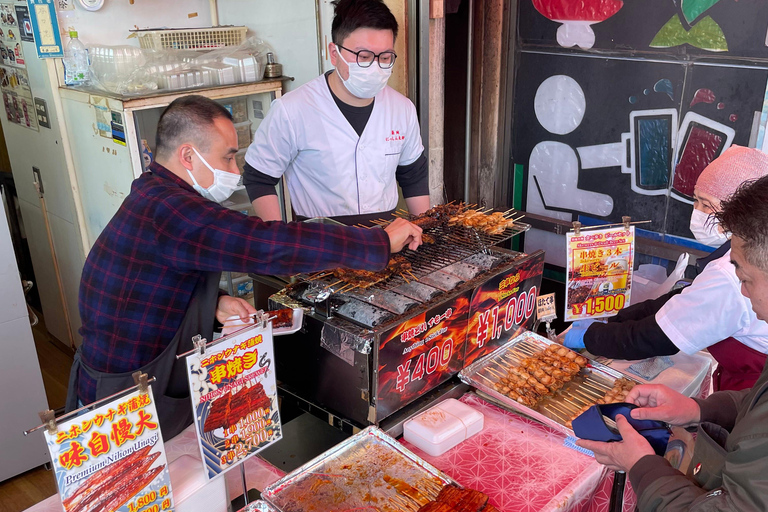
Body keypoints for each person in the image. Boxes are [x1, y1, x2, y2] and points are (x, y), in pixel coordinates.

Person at [67, 95, 422, 439]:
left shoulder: (155, 191)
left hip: (134, 373)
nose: (235, 172)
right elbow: (264, 245)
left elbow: (155, 277)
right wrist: (376, 242)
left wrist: (214, 300)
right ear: (188, 155)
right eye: (228, 158)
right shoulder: (174, 211)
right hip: (123, 394)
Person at [577, 174, 768, 511]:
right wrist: (700, 409)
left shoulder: (725, 281)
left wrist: (642, 465)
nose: (741, 290)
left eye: (747, 279)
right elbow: (759, 406)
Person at [564, 146, 768, 391]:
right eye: (696, 201)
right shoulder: (739, 254)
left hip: (749, 391)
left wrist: (591, 337)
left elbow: (657, 337)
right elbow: (684, 298)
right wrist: (614, 321)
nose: (698, 214)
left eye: (707, 205)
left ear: (738, 212)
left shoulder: (730, 273)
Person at [243, 0, 430, 226]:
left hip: (386, 237)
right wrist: (279, 238)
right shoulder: (292, 110)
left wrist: (426, 232)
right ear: (334, 53)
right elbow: (259, 177)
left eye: (385, 57)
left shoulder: (402, 109)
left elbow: (413, 176)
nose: (375, 67)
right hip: (320, 240)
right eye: (363, 56)